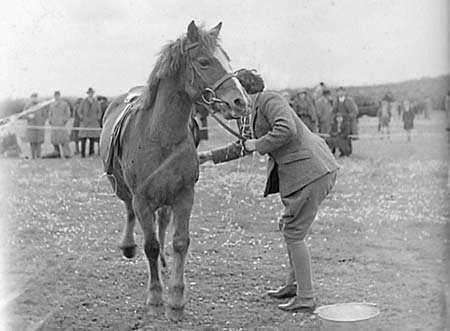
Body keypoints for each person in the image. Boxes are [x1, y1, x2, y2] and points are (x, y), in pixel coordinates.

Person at [199, 69, 339, 312]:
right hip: (307, 171)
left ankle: (306, 297)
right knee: (290, 228)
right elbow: (243, 145)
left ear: (242, 90)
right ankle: (293, 286)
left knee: (294, 232)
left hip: (312, 170)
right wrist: (209, 156)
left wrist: (258, 144)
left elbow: (286, 129)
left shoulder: (270, 100)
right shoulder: (251, 110)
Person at [331, 87, 358, 154]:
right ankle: (341, 150)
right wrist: (336, 117)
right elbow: (333, 112)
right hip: (338, 122)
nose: (340, 93)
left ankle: (347, 151)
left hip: (348, 122)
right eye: (338, 92)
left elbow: (355, 111)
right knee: (339, 137)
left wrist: (347, 117)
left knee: (347, 137)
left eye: (342, 91)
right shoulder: (336, 101)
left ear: (344, 92)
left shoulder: (349, 100)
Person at [78, 87, 101, 157]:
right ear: (88, 94)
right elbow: (79, 111)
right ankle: (83, 153)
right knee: (83, 138)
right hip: (85, 123)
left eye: (92, 93)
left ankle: (91, 152)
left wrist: (98, 118)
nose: (91, 94)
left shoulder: (96, 102)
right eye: (89, 93)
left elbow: (99, 111)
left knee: (92, 138)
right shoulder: (83, 102)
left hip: (93, 123)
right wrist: (81, 117)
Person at [48, 91, 71, 158]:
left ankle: (67, 154)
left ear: (60, 96)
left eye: (58, 96)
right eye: (55, 96)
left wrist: (64, 120)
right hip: (54, 125)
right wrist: (51, 121)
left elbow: (68, 113)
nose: (57, 97)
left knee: (64, 140)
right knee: (54, 141)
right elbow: (50, 114)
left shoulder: (64, 104)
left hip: (61, 125)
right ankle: (57, 153)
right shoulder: (52, 105)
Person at [22, 93, 46, 158]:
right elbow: (23, 114)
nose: (35, 99)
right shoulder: (27, 106)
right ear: (31, 98)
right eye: (33, 97)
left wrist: (42, 122)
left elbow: (44, 115)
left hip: (39, 126)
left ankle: (39, 155)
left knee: (39, 142)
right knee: (32, 142)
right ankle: (33, 155)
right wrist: (28, 116)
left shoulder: (41, 105)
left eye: (36, 97)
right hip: (31, 126)